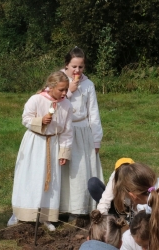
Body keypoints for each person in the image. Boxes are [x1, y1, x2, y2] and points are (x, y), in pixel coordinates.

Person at [8, 71, 73, 231]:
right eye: (61, 89)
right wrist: (40, 121)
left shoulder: (67, 105)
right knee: (30, 177)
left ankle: (45, 216)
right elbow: (25, 119)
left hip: (53, 144)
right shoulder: (36, 99)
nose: (65, 93)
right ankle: (20, 213)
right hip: (35, 143)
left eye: (66, 89)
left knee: (49, 181)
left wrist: (64, 151)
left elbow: (67, 131)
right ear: (51, 87)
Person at [59, 47, 103, 219]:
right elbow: (53, 103)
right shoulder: (58, 80)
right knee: (65, 171)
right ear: (66, 65)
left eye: (81, 67)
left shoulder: (88, 85)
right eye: (74, 67)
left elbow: (94, 113)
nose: (77, 70)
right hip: (64, 129)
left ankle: (80, 209)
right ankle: (62, 207)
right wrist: (69, 90)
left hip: (83, 130)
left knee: (81, 170)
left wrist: (96, 139)